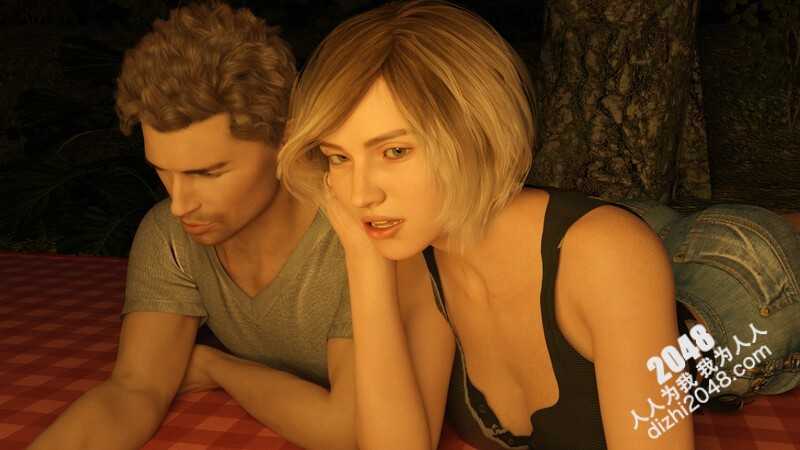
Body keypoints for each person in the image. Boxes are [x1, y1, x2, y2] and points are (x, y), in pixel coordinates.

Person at [277, 1, 800, 449]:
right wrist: (363, 258)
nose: (359, 194)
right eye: (338, 157)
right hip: (597, 240)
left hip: (742, 272)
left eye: (394, 151)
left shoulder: (608, 259)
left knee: (623, 251)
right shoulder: (417, 248)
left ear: (478, 133)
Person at [27, 3, 449, 450]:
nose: (180, 204)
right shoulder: (170, 236)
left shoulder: (360, 228)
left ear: (285, 140)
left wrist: (218, 367)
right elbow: (133, 390)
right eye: (163, 172)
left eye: (208, 173)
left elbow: (346, 430)